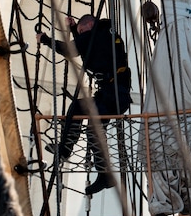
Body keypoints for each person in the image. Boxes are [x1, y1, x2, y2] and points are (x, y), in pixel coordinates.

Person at [37, 14, 131, 196]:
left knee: (93, 127)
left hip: (113, 94)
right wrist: (74, 28)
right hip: (113, 93)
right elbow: (88, 47)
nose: (79, 35)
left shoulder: (95, 34)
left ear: (89, 24)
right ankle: (68, 150)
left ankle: (100, 172)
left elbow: (72, 49)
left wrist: (46, 40)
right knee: (79, 108)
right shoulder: (105, 33)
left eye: (80, 31)